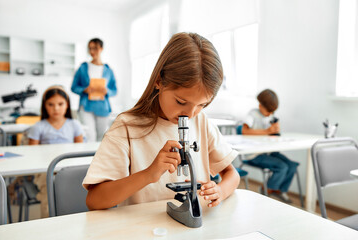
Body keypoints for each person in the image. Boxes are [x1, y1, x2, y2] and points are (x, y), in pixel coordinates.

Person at [83, 32, 240, 210]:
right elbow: (94, 200)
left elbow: (232, 174)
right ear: (159, 81)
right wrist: (149, 174)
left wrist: (220, 190)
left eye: (202, 105)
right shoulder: (127, 127)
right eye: (181, 101)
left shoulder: (201, 121)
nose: (190, 114)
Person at [28, 85, 84, 217]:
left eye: (60, 104)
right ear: (44, 106)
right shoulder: (38, 127)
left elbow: (80, 151)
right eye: (51, 104)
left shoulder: (74, 124)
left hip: (69, 167)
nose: (56, 108)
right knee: (49, 191)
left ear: (67, 105)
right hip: (45, 169)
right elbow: (31, 155)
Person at [241, 89, 299, 203]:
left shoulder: (270, 117)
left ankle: (279, 190)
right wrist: (267, 131)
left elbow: (272, 136)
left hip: (268, 151)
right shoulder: (252, 114)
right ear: (260, 105)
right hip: (254, 154)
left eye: (272, 112)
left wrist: (275, 131)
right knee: (282, 167)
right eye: (268, 111)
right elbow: (244, 131)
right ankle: (267, 189)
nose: (270, 114)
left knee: (292, 165)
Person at [71, 38, 118, 142]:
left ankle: (99, 158)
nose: (92, 51)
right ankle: (88, 158)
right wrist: (84, 89)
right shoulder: (83, 68)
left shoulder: (108, 70)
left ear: (101, 49)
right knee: (89, 135)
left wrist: (107, 91)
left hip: (102, 107)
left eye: (95, 48)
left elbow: (114, 90)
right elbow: (73, 87)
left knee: (102, 136)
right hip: (86, 106)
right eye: (90, 48)